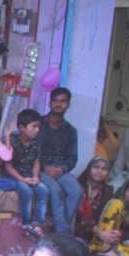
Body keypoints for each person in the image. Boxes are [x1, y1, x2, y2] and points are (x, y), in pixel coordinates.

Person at [0, 108, 49, 239]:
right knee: (27, 191)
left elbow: (36, 161)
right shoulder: (11, 140)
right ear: (21, 128)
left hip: (29, 175)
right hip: (12, 176)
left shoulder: (36, 142)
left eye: (38, 127)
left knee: (43, 190)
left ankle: (37, 224)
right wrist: (23, 180)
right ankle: (25, 224)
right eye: (34, 126)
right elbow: (8, 166)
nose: (37, 130)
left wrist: (35, 177)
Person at [38, 87, 83, 235]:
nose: (59, 104)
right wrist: (45, 168)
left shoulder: (70, 131)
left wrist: (62, 170)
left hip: (61, 170)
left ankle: (59, 230)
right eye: (56, 101)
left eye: (63, 101)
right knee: (55, 190)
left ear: (68, 104)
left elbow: (72, 158)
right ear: (50, 103)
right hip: (39, 168)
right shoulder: (38, 125)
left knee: (76, 191)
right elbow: (31, 151)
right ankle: (64, 233)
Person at [77, 156, 115, 248]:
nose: (99, 171)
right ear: (89, 168)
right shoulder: (78, 186)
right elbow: (79, 216)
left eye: (104, 169)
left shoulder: (108, 191)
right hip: (75, 230)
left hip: (96, 235)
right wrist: (99, 232)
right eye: (96, 167)